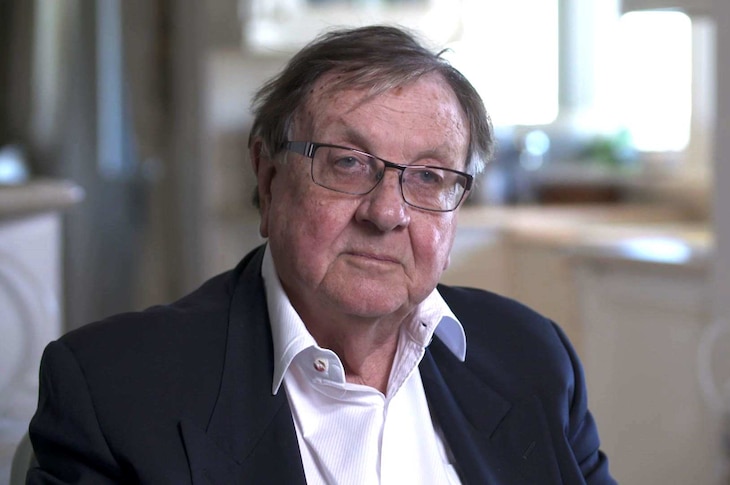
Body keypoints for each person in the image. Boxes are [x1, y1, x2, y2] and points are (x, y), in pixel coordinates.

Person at [26, 25, 615, 484]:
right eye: (348, 163)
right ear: (267, 174)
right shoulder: (113, 389)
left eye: (431, 176)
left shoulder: (533, 357)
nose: (387, 213)